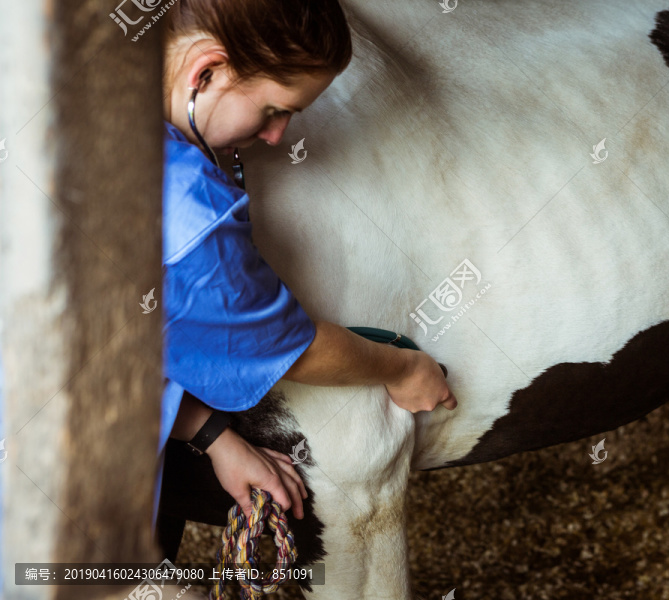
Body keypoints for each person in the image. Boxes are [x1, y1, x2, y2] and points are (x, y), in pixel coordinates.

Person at [155, 0, 456, 543]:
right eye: (273, 109)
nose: (276, 135)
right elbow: (293, 348)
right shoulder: (191, 213)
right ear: (207, 71)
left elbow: (128, 342)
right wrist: (404, 369)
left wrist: (217, 437)